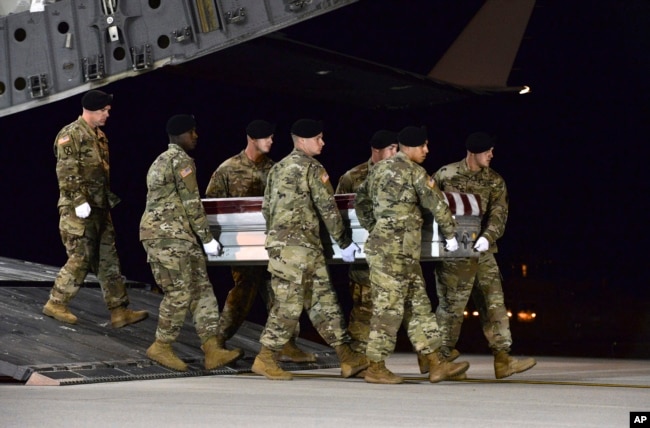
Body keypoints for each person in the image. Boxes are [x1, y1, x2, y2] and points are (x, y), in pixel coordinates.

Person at [252, 118, 367, 381]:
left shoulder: (278, 169)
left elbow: (267, 209)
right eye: (318, 138)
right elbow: (328, 209)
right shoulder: (312, 168)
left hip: (293, 247)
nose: (322, 143)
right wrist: (345, 243)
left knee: (323, 301)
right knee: (289, 304)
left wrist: (277, 239)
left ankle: (347, 357)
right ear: (303, 140)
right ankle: (266, 357)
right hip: (299, 248)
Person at [354, 125, 469, 384]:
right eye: (424, 146)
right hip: (393, 253)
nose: (427, 150)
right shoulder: (416, 173)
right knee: (389, 308)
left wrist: (374, 226)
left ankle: (435, 362)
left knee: (419, 306)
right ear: (411, 147)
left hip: (398, 251)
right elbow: (437, 204)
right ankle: (375, 366)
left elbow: (360, 201)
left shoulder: (378, 169)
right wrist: (450, 235)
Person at [205, 119, 314, 363]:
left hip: (273, 242)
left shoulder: (275, 170)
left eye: (272, 137)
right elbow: (211, 206)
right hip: (243, 246)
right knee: (243, 293)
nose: (271, 142)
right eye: (266, 138)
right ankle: (217, 342)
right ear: (252, 139)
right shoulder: (227, 169)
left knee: (282, 294)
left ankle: (287, 344)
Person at [140, 114, 242, 372]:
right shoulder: (181, 161)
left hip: (178, 235)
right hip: (168, 236)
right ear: (180, 135)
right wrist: (208, 239)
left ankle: (212, 349)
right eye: (192, 132)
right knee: (179, 291)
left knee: (202, 290)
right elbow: (191, 203)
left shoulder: (159, 160)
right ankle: (161, 345)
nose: (196, 136)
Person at [433, 131, 536, 379]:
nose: (491, 155)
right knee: (452, 307)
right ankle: (440, 360)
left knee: (494, 302)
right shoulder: (445, 175)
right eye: (487, 151)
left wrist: (487, 237)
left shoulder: (495, 180)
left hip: (483, 251)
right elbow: (429, 207)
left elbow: (499, 214)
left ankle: (503, 359)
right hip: (454, 252)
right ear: (473, 152)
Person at [43, 90, 148, 328]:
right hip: (77, 209)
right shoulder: (71, 134)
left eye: (108, 110)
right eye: (104, 110)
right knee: (81, 257)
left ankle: (119, 310)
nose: (107, 114)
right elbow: (66, 172)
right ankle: (56, 302)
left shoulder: (99, 136)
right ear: (92, 110)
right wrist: (79, 201)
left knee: (108, 259)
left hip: (99, 207)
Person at [334, 130, 398, 353]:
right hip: (363, 256)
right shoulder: (353, 177)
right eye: (390, 149)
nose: (395, 153)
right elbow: (338, 214)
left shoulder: (399, 174)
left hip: (393, 254)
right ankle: (358, 356)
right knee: (364, 308)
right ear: (376, 150)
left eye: (396, 149)